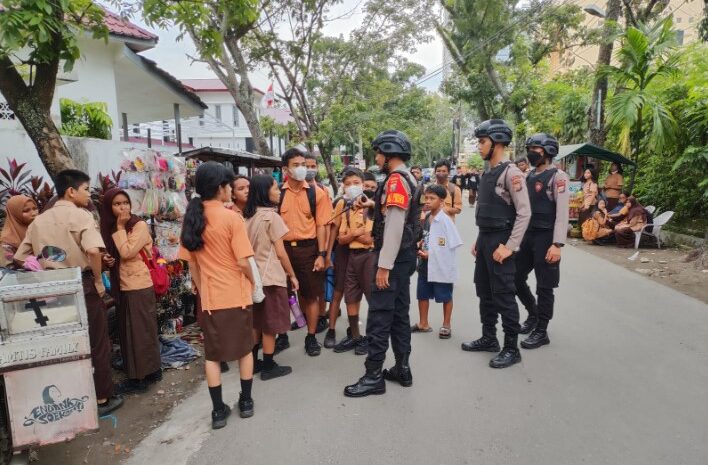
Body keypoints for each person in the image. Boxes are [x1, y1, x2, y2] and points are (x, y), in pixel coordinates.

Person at [15, 170, 123, 416]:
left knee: (67, 344)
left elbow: (21, 258)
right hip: (81, 284)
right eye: (86, 189)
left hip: (52, 288)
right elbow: (94, 251)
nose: (88, 194)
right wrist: (97, 279)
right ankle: (102, 397)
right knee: (96, 341)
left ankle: (72, 397)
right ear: (71, 191)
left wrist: (46, 266)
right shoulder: (81, 216)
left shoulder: (39, 221)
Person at [344, 130, 422, 397]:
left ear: (388, 153)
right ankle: (402, 368)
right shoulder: (405, 177)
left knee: (379, 316)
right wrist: (372, 205)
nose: (376, 157)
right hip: (404, 256)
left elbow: (396, 224)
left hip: (393, 257)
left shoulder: (396, 181)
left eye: (378, 152)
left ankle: (373, 375)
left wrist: (384, 266)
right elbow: (394, 213)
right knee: (400, 314)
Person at [178, 162, 256, 429]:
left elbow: (192, 266)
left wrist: (202, 291)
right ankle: (245, 402)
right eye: (229, 186)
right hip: (237, 295)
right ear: (221, 187)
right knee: (245, 350)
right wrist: (253, 282)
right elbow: (244, 262)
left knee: (213, 356)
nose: (231, 191)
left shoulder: (192, 219)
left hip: (210, 300)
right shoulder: (231, 218)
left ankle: (217, 412)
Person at [461, 120, 530, 369]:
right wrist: (479, 241)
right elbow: (485, 212)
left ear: (497, 142)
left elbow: (524, 213)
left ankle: (511, 348)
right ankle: (489, 337)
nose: (479, 147)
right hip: (487, 240)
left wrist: (510, 246)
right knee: (484, 291)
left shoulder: (512, 173)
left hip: (503, 241)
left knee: (504, 295)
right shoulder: (487, 173)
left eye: (482, 142)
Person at [100, 187, 161, 394]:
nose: (123, 207)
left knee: (138, 331)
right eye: (117, 204)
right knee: (136, 330)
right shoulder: (110, 227)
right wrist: (107, 259)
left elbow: (127, 252)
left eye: (125, 202)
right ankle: (151, 370)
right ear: (109, 207)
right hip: (126, 283)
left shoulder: (137, 225)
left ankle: (140, 378)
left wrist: (119, 226)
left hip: (137, 284)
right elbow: (115, 253)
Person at [512, 134, 570, 348]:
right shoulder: (527, 176)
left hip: (547, 238)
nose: (531, 153)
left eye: (535, 148)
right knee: (515, 277)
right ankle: (533, 313)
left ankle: (542, 330)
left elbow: (562, 214)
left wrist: (557, 244)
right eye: (530, 148)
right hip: (528, 236)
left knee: (545, 286)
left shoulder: (558, 177)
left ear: (547, 151)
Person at [278, 148, 333, 356]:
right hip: (281, 250)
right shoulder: (277, 193)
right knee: (281, 295)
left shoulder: (316, 193)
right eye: (296, 165)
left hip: (308, 250)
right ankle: (281, 336)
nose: (301, 169)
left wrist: (321, 254)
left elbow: (322, 226)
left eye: (304, 164)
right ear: (285, 169)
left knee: (311, 295)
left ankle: (311, 337)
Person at [244, 175, 299, 380]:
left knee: (256, 322)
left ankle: (253, 361)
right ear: (265, 192)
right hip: (271, 278)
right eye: (275, 188)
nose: (278, 191)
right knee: (271, 324)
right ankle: (268, 365)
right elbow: (281, 252)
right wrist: (292, 275)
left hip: (253, 278)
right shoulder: (271, 217)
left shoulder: (248, 217)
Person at [332, 168, 374, 355]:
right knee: (350, 297)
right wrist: (356, 234)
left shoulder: (373, 207)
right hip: (352, 257)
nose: (352, 187)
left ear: (363, 184)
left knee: (373, 298)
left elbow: (374, 237)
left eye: (356, 183)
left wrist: (364, 237)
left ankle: (373, 338)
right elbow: (341, 239)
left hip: (369, 257)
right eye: (347, 184)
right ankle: (356, 337)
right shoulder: (347, 207)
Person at [411, 185, 463, 339]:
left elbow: (453, 245)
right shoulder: (426, 217)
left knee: (445, 295)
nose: (427, 201)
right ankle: (423, 323)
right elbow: (425, 236)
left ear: (441, 201)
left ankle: (446, 324)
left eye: (432, 198)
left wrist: (432, 255)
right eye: (426, 198)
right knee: (422, 294)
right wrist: (420, 244)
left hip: (441, 266)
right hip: (424, 264)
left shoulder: (445, 221)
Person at [305, 153, 333, 334]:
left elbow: (329, 222)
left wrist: (326, 252)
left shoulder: (324, 190)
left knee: (320, 282)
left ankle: (321, 315)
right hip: (303, 245)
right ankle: (307, 317)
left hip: (320, 243)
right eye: (306, 165)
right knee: (304, 285)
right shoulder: (293, 191)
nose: (309, 169)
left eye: (312, 165)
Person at [1, 195, 38, 268]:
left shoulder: (38, 230)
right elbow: (7, 270)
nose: (34, 213)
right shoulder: (6, 241)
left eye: (35, 208)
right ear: (15, 214)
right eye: (26, 210)